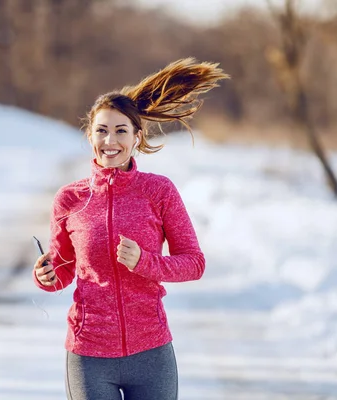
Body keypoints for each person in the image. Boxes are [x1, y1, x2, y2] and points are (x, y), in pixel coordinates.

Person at [33, 58, 228, 400]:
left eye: (121, 130)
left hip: (151, 353)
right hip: (89, 354)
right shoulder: (70, 199)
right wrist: (46, 274)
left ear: (137, 137)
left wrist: (145, 262)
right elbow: (62, 271)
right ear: (89, 135)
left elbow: (194, 263)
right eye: (102, 130)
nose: (111, 140)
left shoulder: (159, 191)